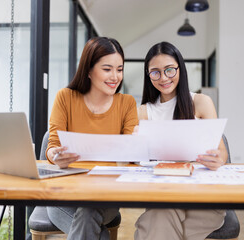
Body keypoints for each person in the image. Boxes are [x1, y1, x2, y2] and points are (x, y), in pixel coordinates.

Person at [45, 37, 138, 240]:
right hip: (65, 194)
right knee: (98, 234)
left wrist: (135, 147)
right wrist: (56, 156)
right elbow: (52, 146)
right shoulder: (65, 97)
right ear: (88, 70)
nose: (115, 76)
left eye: (120, 69)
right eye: (107, 69)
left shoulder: (127, 103)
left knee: (89, 213)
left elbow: (131, 153)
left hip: (106, 195)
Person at [134, 41, 227, 240]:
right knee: (160, 215)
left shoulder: (200, 102)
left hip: (202, 197)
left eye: (169, 70)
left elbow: (222, 151)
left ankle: (144, 230)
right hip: (164, 194)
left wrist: (218, 159)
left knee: (151, 226)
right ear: (148, 75)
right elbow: (136, 161)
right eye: (155, 72)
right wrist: (134, 147)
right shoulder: (143, 112)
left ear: (180, 69)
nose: (163, 78)